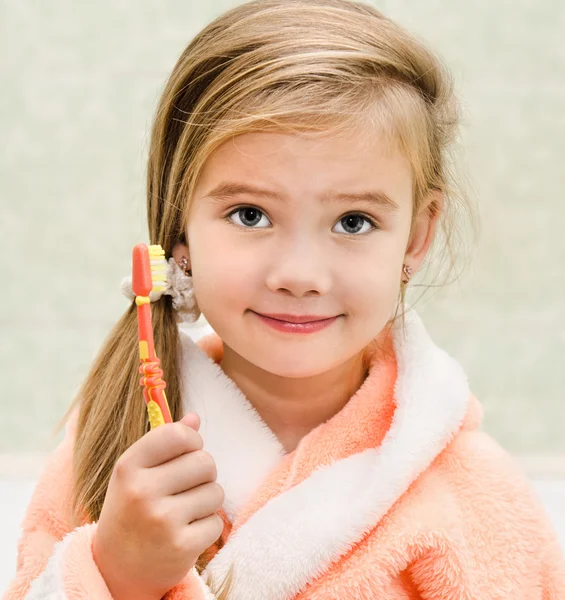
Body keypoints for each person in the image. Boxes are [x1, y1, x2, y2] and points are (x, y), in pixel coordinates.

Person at [5, 0, 565, 599]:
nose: (300, 275)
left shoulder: (472, 491)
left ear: (418, 234)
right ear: (179, 229)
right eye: (250, 215)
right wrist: (115, 573)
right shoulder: (110, 451)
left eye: (353, 222)